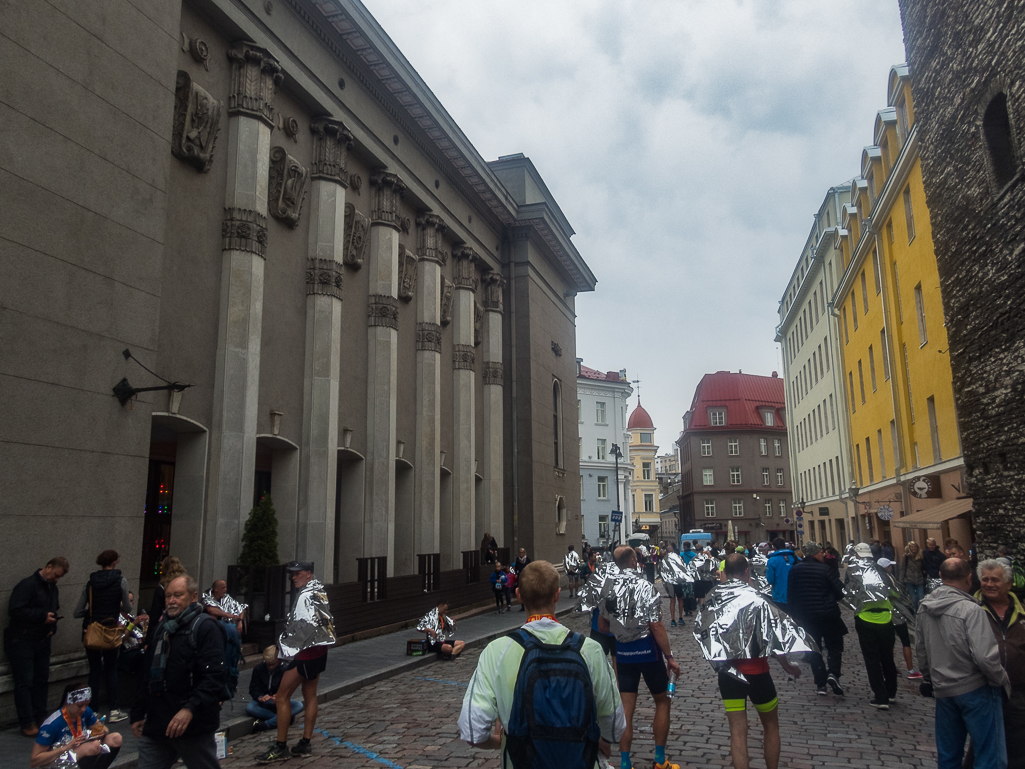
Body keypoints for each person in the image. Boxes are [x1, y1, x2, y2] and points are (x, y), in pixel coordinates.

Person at [458, 560, 625, 768]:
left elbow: (473, 731)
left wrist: (501, 743)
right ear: (557, 595)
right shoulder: (590, 650)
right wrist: (602, 741)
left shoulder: (496, 651)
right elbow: (616, 725)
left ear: (518, 595)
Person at [694, 554, 805, 769]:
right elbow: (771, 639)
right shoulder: (757, 597)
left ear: (725, 571)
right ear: (747, 571)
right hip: (758, 673)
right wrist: (787, 666)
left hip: (729, 675)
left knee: (737, 732)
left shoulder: (714, 598)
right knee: (771, 726)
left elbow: (704, 633)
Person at [916, 557, 1010, 769]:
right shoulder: (971, 610)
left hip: (944, 690)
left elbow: (921, 651)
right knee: (990, 757)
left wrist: (931, 679)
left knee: (949, 756)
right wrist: (1001, 680)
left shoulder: (925, 607)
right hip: (975, 688)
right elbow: (985, 657)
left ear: (940, 576)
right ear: (970, 578)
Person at [130, 574, 227, 769]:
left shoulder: (205, 627)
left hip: (193, 725)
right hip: (158, 722)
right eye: (168, 596)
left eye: (178, 595)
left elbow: (214, 676)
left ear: (193, 597)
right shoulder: (160, 629)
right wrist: (138, 711)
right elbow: (147, 674)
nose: (172, 600)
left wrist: (189, 709)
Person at [598, 547, 683, 769]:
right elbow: (656, 625)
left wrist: (622, 631)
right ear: (634, 560)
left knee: (627, 709)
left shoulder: (608, 588)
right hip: (648, 651)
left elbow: (601, 625)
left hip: (624, 653)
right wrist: (669, 657)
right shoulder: (646, 586)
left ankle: (625, 763)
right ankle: (659, 760)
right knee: (662, 701)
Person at [256, 562, 336, 763]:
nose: (293, 578)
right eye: (292, 575)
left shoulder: (306, 595)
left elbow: (301, 627)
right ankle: (304, 743)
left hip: (306, 654)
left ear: (308, 574)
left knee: (282, 697)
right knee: (310, 695)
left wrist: (282, 647)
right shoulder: (318, 590)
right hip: (319, 652)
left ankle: (281, 746)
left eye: (297, 574)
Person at [7, 557, 69, 738]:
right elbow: (16, 610)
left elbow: (53, 610)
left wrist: (52, 626)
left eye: (59, 578)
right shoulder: (28, 585)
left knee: (41, 679)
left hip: (42, 638)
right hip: (23, 640)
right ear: (48, 567)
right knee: (25, 681)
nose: (55, 580)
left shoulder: (52, 588)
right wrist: (42, 617)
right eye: (55, 575)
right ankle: (27, 722)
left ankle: (41, 717)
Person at [975, 559, 1025, 769]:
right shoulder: (972, 609)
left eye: (995, 580)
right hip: (983, 689)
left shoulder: (1022, 611)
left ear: (1008, 583)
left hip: (1018, 691)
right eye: (985, 579)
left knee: (1018, 744)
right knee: (985, 746)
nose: (989, 584)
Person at [73, 550, 132, 723]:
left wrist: (92, 612)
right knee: (111, 668)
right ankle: (114, 709)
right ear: (115, 562)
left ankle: (92, 710)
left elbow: (77, 612)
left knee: (94, 670)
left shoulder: (90, 583)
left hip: (91, 630)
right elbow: (127, 609)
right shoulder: (121, 581)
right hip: (110, 630)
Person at [786, 541, 846, 696]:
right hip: (829, 614)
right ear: (813, 553)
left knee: (814, 648)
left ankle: (820, 683)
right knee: (834, 646)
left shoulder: (795, 570)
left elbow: (791, 595)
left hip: (807, 616)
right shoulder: (825, 570)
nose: (824, 554)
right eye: (821, 552)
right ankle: (833, 673)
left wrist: (794, 614)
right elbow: (840, 592)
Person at [847, 543, 899, 709]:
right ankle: (891, 692)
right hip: (885, 617)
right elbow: (895, 591)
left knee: (872, 659)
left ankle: (881, 696)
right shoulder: (881, 570)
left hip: (865, 618)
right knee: (887, 658)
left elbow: (849, 593)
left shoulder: (854, 571)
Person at [32, 685, 122, 769]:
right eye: (79, 706)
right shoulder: (52, 725)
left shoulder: (86, 711)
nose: (83, 709)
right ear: (68, 703)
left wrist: (101, 732)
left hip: (76, 753)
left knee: (115, 738)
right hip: (58, 759)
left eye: (87, 705)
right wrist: (65, 748)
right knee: (93, 746)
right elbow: (35, 761)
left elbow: (103, 728)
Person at [201, 580, 246, 698]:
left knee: (232, 658)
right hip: (217, 632)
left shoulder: (227, 597)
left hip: (231, 631)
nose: (225, 589)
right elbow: (211, 610)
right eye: (223, 587)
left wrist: (240, 622)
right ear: (216, 589)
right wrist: (229, 615)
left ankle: (230, 682)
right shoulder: (206, 596)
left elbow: (241, 608)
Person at [247, 646, 303, 731]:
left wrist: (279, 695)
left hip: (278, 700)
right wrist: (260, 697)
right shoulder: (258, 669)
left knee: (299, 705)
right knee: (250, 708)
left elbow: (288, 688)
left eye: (273, 664)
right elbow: (253, 688)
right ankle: (283, 718)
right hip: (264, 701)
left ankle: (267, 724)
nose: (271, 667)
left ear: (278, 661)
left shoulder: (284, 669)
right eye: (268, 664)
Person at [146, 557, 187, 648]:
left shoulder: (161, 588)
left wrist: (148, 640)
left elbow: (155, 615)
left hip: (166, 627)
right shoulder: (185, 586)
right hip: (183, 624)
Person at [765, 538, 797, 612]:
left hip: (779, 596)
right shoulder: (795, 558)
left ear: (774, 547)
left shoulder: (772, 561)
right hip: (795, 595)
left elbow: (771, 580)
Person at [901, 541, 926, 610]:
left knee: (921, 598)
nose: (914, 548)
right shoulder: (906, 557)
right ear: (909, 548)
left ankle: (921, 612)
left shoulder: (920, 556)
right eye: (912, 547)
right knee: (914, 599)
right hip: (909, 580)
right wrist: (901, 580)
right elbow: (903, 568)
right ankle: (916, 612)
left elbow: (923, 567)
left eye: (915, 546)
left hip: (919, 579)